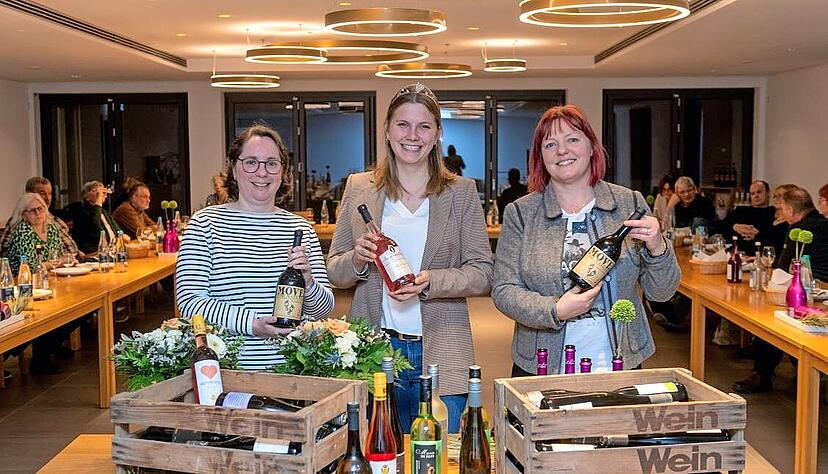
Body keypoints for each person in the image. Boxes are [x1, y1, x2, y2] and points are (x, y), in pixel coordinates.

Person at [327, 83, 493, 433]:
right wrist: (357, 259)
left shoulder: (461, 192)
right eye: (403, 124)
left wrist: (431, 281)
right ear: (387, 130)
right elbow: (335, 272)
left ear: (437, 134)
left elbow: (483, 273)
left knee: (442, 454)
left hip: (444, 348)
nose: (412, 136)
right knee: (379, 452)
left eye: (424, 126)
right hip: (374, 352)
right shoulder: (360, 187)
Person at [491, 104, 680, 378]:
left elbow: (662, 293)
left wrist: (658, 248)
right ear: (540, 157)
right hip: (542, 365)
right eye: (550, 144)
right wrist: (555, 310)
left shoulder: (629, 204)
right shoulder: (521, 213)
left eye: (572, 139)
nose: (562, 151)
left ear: (592, 146)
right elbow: (504, 290)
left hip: (618, 362)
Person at [176, 124, 334, 370]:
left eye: (271, 163)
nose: (262, 172)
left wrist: (309, 282)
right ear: (234, 169)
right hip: (227, 370)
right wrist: (251, 324)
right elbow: (190, 301)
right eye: (251, 162)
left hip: (292, 371)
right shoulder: (205, 224)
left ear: (283, 172)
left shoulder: (299, 229)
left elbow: (323, 310)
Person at [733, 186, 828, 393]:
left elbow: (783, 267)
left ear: (791, 210)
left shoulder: (798, 230)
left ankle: (763, 374)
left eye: (783, 208)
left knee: (768, 319)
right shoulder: (824, 224)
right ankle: (803, 373)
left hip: (808, 290)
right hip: (822, 291)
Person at [3, 193, 75, 374]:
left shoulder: (51, 228)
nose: (38, 214)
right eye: (32, 211)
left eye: (40, 209)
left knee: (78, 308)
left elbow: (60, 256)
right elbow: (30, 266)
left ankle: (51, 345)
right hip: (21, 288)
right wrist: (54, 263)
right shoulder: (22, 231)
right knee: (48, 312)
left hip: (50, 281)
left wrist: (57, 262)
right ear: (23, 214)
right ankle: (39, 358)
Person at [0, 177, 81, 259]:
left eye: (50, 194)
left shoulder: (54, 221)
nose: (47, 198)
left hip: (71, 261)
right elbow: (5, 255)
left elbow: (65, 251)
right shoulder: (19, 225)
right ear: (29, 194)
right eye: (42, 193)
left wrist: (77, 256)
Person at [63, 180, 121, 254]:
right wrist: (99, 200)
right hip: (94, 253)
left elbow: (117, 229)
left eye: (101, 190)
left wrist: (121, 235)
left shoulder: (104, 211)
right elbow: (96, 227)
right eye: (95, 190)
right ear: (86, 197)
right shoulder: (81, 211)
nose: (100, 193)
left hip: (113, 250)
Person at [721, 180, 776, 249]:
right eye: (752, 193)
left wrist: (757, 235)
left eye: (759, 192)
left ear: (768, 193)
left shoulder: (775, 213)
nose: (756, 196)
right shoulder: (740, 211)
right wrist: (734, 226)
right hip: (737, 250)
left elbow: (776, 237)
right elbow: (719, 225)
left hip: (761, 251)